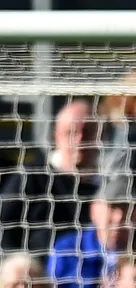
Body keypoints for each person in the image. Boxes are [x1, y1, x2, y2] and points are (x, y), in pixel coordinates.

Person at [0, 99, 101, 255]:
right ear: (57, 136)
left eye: (87, 131)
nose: (79, 140)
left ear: (100, 134)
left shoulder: (111, 184)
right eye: (71, 132)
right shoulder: (31, 178)